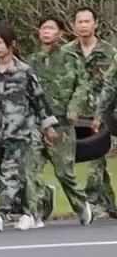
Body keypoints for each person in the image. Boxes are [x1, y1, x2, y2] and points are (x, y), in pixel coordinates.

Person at [0, 26, 55, 233]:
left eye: (0, 43)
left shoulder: (24, 72)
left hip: (20, 131)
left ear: (11, 45)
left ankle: (3, 212)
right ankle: (39, 202)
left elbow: (39, 100)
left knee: (10, 172)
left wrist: (48, 126)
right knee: (3, 176)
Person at [31, 15, 94, 226]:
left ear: (60, 33)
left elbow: (83, 85)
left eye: (51, 28)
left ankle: (80, 204)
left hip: (62, 123)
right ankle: (40, 204)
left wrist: (75, 107)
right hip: (37, 123)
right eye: (43, 28)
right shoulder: (32, 62)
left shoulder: (71, 58)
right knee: (30, 169)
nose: (47, 32)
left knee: (63, 172)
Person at [71, 7, 115, 217]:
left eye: (87, 21)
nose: (83, 25)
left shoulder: (109, 52)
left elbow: (112, 86)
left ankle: (93, 200)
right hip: (77, 115)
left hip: (103, 114)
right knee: (93, 159)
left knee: (96, 158)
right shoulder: (67, 53)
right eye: (80, 22)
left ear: (95, 24)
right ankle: (109, 204)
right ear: (74, 25)